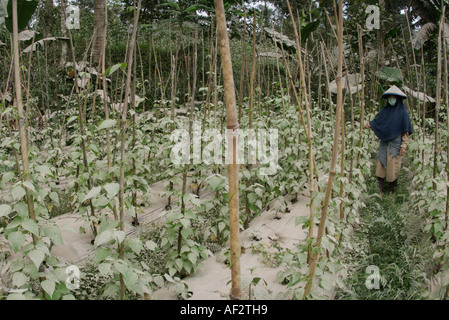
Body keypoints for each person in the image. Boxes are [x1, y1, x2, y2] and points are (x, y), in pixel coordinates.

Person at [364, 85, 413, 194]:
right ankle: (381, 186)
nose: (391, 100)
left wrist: (404, 145)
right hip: (384, 141)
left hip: (396, 142)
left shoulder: (403, 113)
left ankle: (391, 188)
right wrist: (365, 124)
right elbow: (377, 123)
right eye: (390, 97)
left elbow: (406, 131)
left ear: (398, 99)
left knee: (393, 164)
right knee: (381, 161)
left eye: (393, 97)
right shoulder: (385, 111)